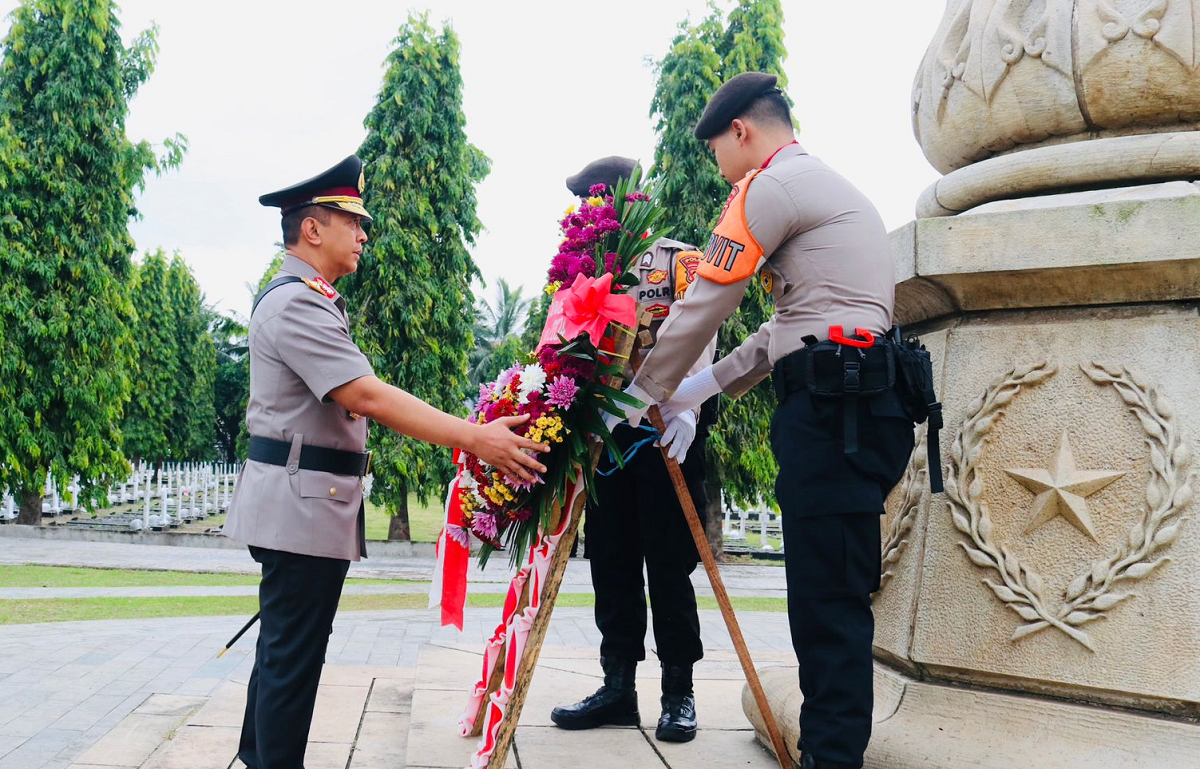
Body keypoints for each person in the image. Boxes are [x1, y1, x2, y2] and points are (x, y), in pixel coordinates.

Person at [610, 73, 915, 769]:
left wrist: (640, 396)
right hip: (857, 406)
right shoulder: (818, 186)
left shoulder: (768, 188)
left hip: (837, 415)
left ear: (741, 132)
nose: (717, 166)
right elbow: (787, 328)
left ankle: (830, 760)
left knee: (828, 607)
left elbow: (706, 301)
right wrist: (695, 388)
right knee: (825, 597)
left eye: (716, 147)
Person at [224, 154, 548, 769]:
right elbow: (364, 394)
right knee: (293, 658)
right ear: (313, 229)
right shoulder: (296, 301)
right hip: (300, 505)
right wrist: (477, 437)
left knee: (283, 652)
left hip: (305, 502)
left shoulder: (310, 297)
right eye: (353, 221)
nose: (364, 234)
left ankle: (255, 757)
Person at [549, 156, 717, 743]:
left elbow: (704, 325)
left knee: (669, 564)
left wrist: (690, 405)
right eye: (588, 204)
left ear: (631, 197)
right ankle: (618, 687)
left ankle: (679, 692)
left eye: (603, 199)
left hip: (666, 426)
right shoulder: (584, 268)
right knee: (612, 562)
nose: (596, 211)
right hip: (607, 435)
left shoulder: (677, 256)